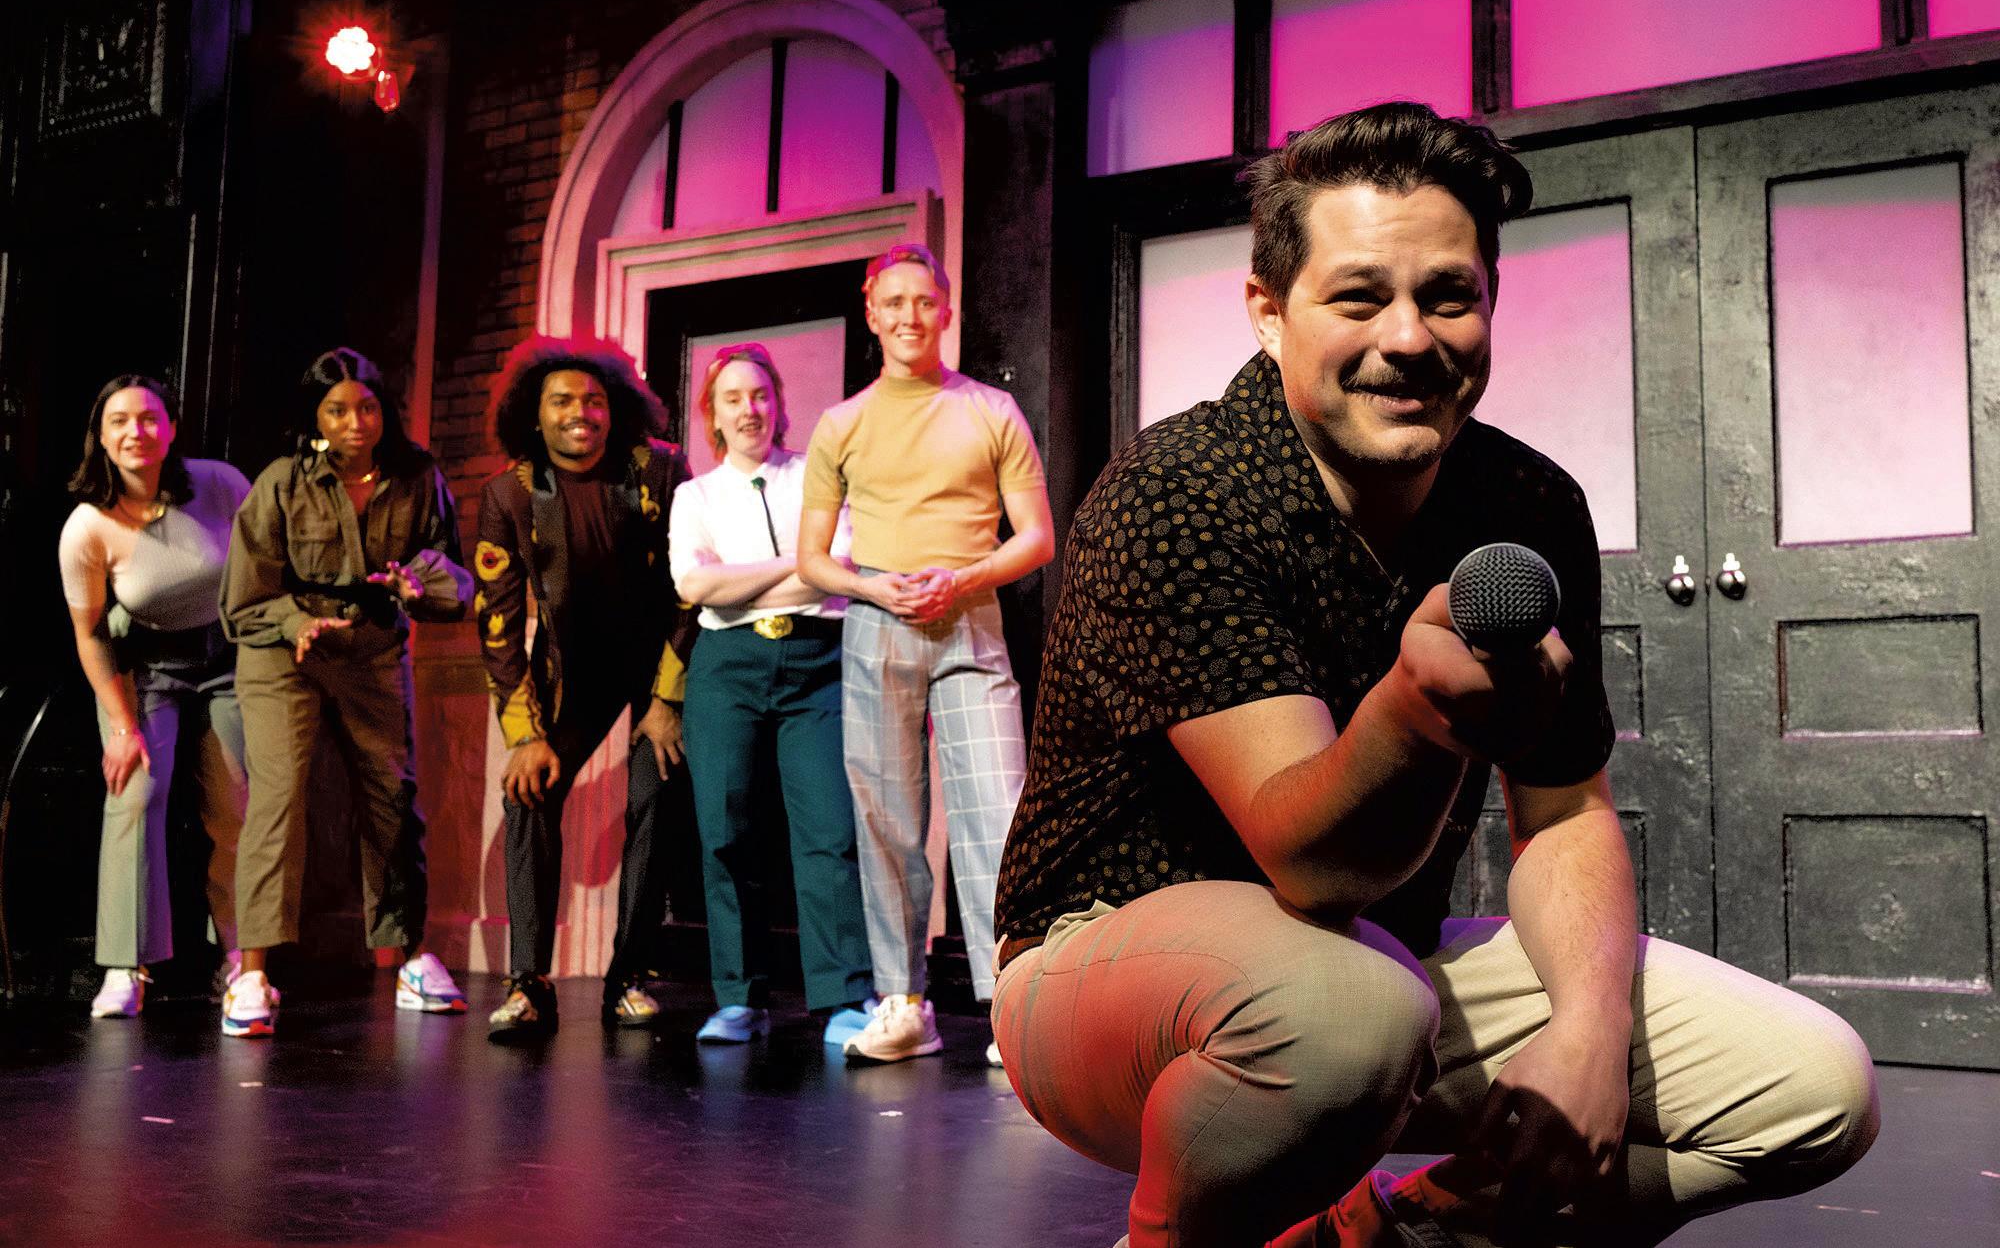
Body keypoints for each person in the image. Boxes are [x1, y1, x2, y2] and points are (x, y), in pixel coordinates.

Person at [990, 103, 1879, 1248]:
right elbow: (1308, 860)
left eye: (1447, 295)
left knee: (1811, 1086)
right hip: (1100, 965)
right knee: (1343, 1009)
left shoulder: (1524, 501)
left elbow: (1563, 811)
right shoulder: (1178, 491)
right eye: (1358, 297)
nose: (1407, 337)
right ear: (1267, 311)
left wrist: (1586, 1033)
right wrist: (1411, 713)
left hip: (1379, 965)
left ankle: (1381, 1237)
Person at [798, 242, 1055, 1065]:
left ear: (946, 311)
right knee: (887, 820)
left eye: (924, 301)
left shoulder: (990, 410)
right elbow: (812, 560)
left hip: (970, 618)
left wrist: (963, 577)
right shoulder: (842, 423)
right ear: (871, 312)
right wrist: (874, 587)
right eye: (894, 302)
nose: (910, 316)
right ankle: (903, 1002)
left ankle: (1010, 1005)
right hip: (878, 622)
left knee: (997, 812)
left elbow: (1037, 537)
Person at [219, 348, 472, 1038]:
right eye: (337, 410)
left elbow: (452, 572)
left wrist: (419, 584)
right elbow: (243, 599)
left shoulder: (418, 477)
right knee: (280, 794)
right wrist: (296, 623)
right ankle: (252, 972)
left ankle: (410, 958)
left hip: (372, 644)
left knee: (392, 794)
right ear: (316, 417)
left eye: (367, 407)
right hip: (285, 650)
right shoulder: (281, 481)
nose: (356, 422)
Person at [477, 335, 697, 1039]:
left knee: (656, 792)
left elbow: (691, 590)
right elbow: (497, 625)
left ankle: (628, 976)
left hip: (661, 659)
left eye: (594, 400)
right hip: (572, 668)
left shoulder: (660, 469)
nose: (581, 413)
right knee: (528, 789)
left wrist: (666, 701)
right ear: (534, 413)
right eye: (563, 401)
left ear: (615, 406)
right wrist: (524, 735)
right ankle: (528, 983)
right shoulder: (509, 493)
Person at [668, 344, 874, 1046]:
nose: (748, 409)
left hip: (818, 660)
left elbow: (841, 566)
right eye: (732, 398)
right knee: (726, 831)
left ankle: (842, 997)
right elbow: (695, 587)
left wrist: (746, 581)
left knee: (828, 830)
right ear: (713, 415)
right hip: (727, 667)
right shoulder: (695, 496)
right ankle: (739, 998)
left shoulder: (816, 477)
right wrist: (798, 564)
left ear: (779, 403)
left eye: (759, 395)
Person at [58, 375, 248, 1018]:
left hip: (228, 656)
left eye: (148, 418)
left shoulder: (221, 484)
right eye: (119, 421)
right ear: (101, 436)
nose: (135, 431)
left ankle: (241, 959)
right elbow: (89, 633)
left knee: (237, 803)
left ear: (170, 428)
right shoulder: (88, 526)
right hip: (142, 664)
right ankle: (125, 966)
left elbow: (266, 566)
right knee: (135, 791)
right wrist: (121, 727)